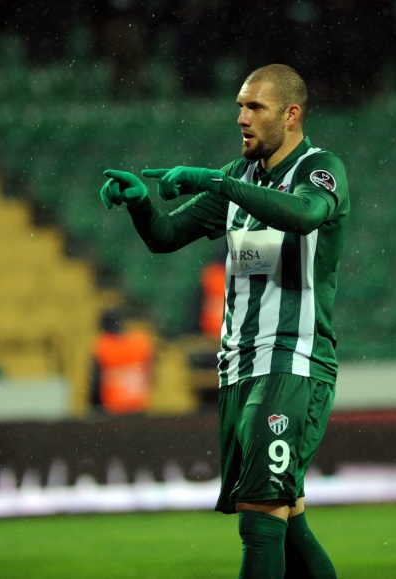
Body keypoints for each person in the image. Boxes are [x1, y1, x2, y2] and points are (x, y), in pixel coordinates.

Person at [100, 64, 349, 578]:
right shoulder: (239, 177)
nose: (242, 117)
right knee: (287, 521)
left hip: (292, 363)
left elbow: (305, 214)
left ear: (291, 114)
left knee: (260, 518)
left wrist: (217, 181)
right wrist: (141, 204)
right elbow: (166, 236)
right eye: (240, 106)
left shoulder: (320, 168)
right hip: (239, 368)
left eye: (255, 107)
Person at [89, 309, 155, 415]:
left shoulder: (103, 346)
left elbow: (95, 384)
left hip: (111, 411)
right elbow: (149, 376)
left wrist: (93, 411)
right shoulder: (140, 343)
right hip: (138, 409)